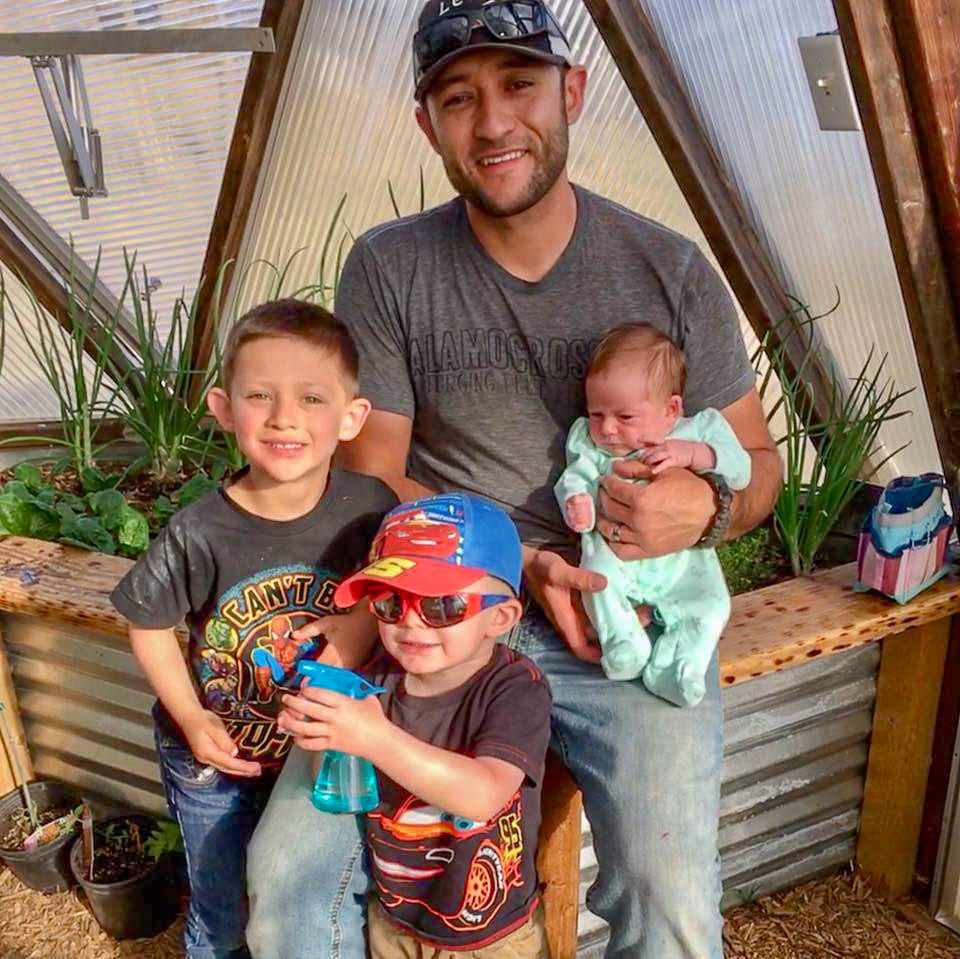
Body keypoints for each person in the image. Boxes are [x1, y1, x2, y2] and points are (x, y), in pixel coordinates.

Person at [246, 3, 781, 957]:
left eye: (519, 85)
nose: (493, 123)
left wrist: (707, 506)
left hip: (627, 622)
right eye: (460, 97)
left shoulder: (670, 269)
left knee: (673, 898)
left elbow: (760, 464)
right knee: (289, 884)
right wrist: (519, 561)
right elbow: (374, 475)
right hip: (431, 615)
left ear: (571, 92)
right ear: (429, 124)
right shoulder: (390, 265)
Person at [111, 299, 397, 959]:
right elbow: (147, 622)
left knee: (299, 888)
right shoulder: (199, 530)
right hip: (216, 752)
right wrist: (188, 713)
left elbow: (388, 590)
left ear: (352, 417)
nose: (284, 417)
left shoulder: (371, 506)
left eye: (311, 398)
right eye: (260, 394)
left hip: (314, 750)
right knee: (219, 904)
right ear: (222, 407)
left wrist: (355, 623)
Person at [278, 492, 552, 958]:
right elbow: (338, 783)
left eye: (442, 606)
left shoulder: (515, 688)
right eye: (388, 603)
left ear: (499, 617)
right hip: (395, 919)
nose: (410, 622)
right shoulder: (375, 678)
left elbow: (483, 794)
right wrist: (322, 732)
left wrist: (374, 736)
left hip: (491, 938)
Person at [555, 323, 751, 703]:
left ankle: (677, 668)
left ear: (671, 409)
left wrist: (694, 455)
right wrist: (576, 501)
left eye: (624, 417)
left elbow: (741, 468)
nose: (607, 429)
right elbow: (573, 477)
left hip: (682, 562)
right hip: (616, 554)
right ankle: (624, 642)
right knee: (598, 579)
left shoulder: (698, 431)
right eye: (596, 414)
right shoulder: (590, 444)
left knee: (712, 604)